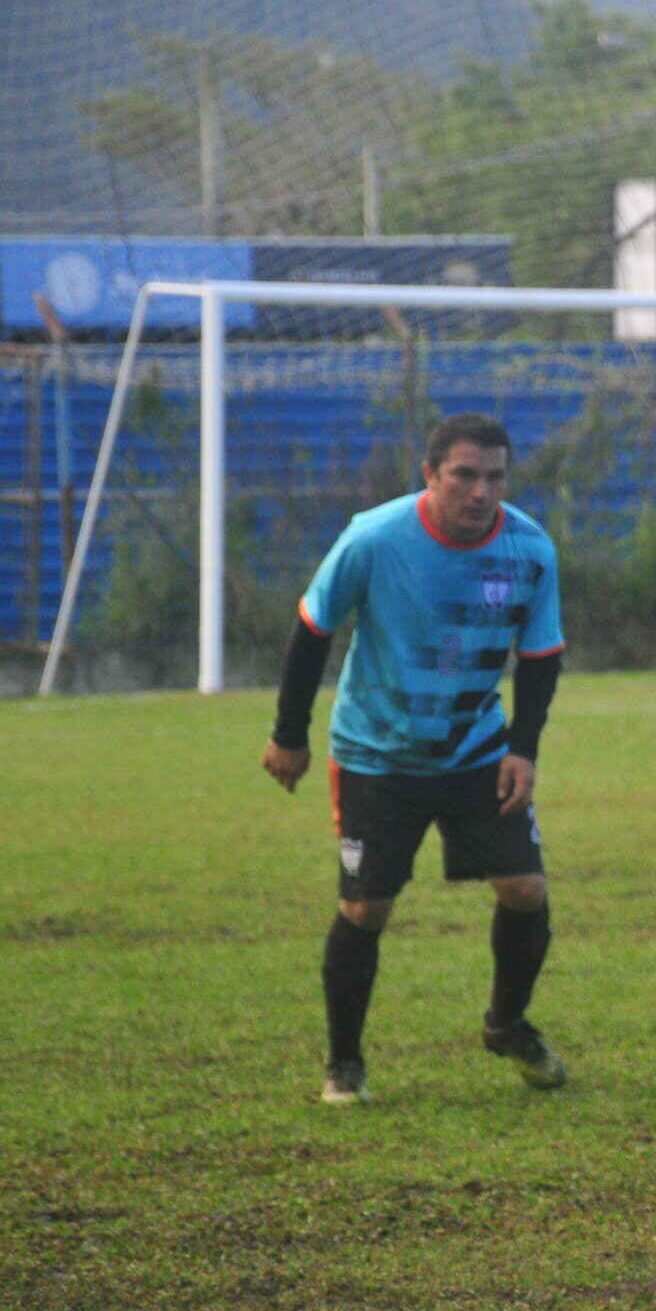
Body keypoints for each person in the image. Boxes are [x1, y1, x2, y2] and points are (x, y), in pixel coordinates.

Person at [262, 412, 570, 1105]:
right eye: (464, 475)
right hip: (377, 754)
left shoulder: (530, 549)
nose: (480, 492)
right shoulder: (374, 538)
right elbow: (312, 630)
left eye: (494, 477)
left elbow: (542, 655)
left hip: (477, 750)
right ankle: (344, 1062)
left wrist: (523, 749)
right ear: (430, 475)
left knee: (525, 890)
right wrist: (289, 734)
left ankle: (506, 1023)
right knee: (366, 907)